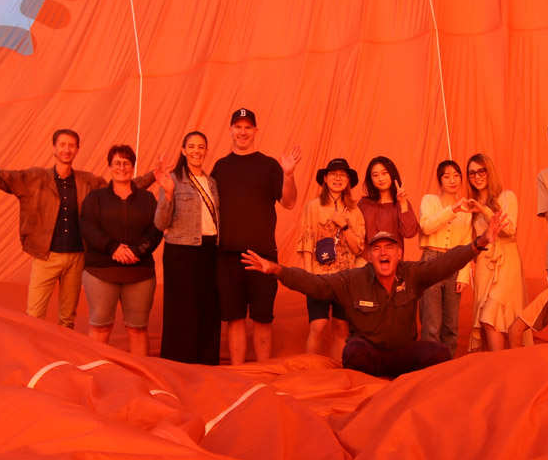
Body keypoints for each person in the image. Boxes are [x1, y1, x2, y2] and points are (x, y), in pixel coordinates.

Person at [241, 213, 507, 378]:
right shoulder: (353, 279)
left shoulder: (412, 274)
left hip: (402, 353)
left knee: (437, 352)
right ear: (369, 256)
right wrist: (278, 270)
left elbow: (446, 263)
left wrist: (479, 243)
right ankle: (367, 388)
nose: (383, 253)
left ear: (399, 254)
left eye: (389, 247)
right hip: (370, 353)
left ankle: (409, 385)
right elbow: (314, 283)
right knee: (353, 352)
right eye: (376, 248)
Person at [0, 119, 153, 328]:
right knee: (33, 315)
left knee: (67, 318)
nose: (67, 149)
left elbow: (121, 186)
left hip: (78, 257)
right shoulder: (34, 178)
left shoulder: (87, 182)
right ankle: (32, 357)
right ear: (54, 148)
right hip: (46, 256)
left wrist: (153, 175)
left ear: (77, 149)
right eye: (62, 144)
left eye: (71, 145)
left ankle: (63, 357)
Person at [211, 107, 302, 364]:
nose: (242, 132)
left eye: (247, 127)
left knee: (263, 318)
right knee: (234, 318)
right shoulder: (220, 167)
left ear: (255, 131)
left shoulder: (270, 165)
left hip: (262, 255)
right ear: (230, 130)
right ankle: (239, 373)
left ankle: (263, 373)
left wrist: (289, 174)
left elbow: (289, 202)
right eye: (238, 127)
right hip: (227, 255)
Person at [79, 145, 163, 356]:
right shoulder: (95, 199)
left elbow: (156, 229)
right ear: (109, 166)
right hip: (101, 271)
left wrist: (137, 251)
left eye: (127, 163)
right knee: (100, 326)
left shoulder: (147, 199)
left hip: (139, 272)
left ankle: (140, 375)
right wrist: (113, 248)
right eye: (117, 163)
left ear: (133, 167)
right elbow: (88, 228)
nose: (122, 167)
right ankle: (96, 372)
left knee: (137, 328)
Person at [153, 131, 221, 365]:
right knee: (182, 311)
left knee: (209, 307)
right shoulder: (172, 180)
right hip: (182, 251)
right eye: (191, 146)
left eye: (201, 147)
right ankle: (179, 363)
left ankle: (206, 362)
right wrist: (168, 194)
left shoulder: (212, 183)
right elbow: (160, 223)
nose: (196, 151)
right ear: (183, 150)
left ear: (206, 151)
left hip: (210, 249)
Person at [297, 158, 366, 360]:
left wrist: (344, 226)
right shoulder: (313, 206)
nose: (338, 178)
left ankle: (335, 371)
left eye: (342, 175)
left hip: (346, 278)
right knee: (317, 326)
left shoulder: (355, 211)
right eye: (333, 174)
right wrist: (308, 275)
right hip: (319, 276)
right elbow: (306, 240)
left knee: (341, 327)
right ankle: (308, 370)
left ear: (348, 180)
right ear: (325, 178)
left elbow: (358, 248)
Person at [465, 153, 528, 351]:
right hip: (484, 264)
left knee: (490, 317)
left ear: (489, 171)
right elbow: (470, 240)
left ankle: (503, 367)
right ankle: (494, 368)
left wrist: (483, 210)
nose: (477, 176)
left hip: (507, 260)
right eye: (472, 173)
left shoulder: (507, 196)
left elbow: (509, 229)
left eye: (481, 170)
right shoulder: (471, 205)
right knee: (485, 320)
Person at [418, 160, 473, 357]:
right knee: (431, 323)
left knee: (451, 326)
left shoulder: (467, 208)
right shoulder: (430, 200)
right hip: (432, 260)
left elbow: (467, 242)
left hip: (454, 262)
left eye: (456, 175)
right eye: (447, 176)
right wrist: (452, 210)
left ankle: (447, 369)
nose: (452, 180)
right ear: (439, 180)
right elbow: (426, 227)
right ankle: (428, 368)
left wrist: (464, 275)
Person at [358, 155, 419, 252]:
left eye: (384, 173)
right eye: (375, 175)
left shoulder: (401, 202)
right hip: (366, 260)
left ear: (392, 174)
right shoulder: (364, 204)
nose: (381, 178)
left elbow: (409, 233)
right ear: (370, 179)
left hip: (391, 261)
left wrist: (403, 203)